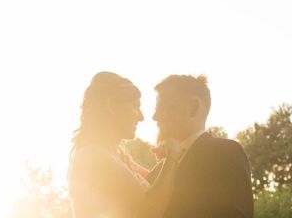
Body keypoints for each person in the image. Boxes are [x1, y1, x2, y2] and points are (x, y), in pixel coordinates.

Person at [68, 71, 182, 218]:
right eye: (135, 106)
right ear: (112, 106)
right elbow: (149, 210)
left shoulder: (118, 156)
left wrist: (166, 160)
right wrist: (172, 157)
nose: (141, 117)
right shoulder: (94, 157)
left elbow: (155, 183)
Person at [149, 74, 253, 218]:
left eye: (163, 107)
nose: (155, 116)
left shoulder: (225, 153)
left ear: (193, 107)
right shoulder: (160, 169)